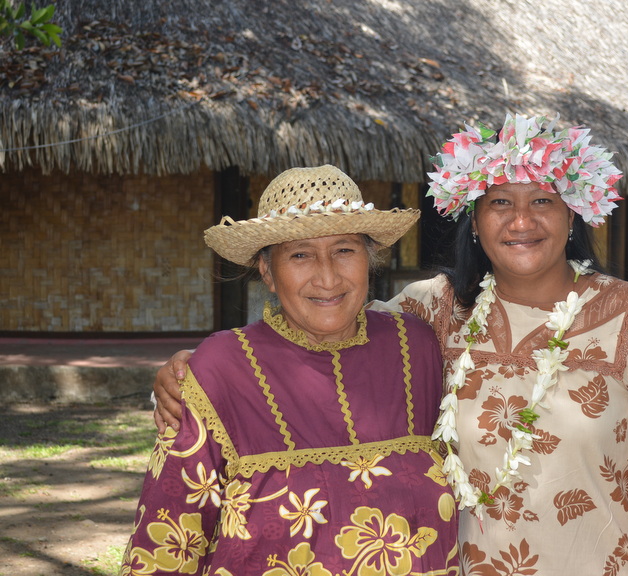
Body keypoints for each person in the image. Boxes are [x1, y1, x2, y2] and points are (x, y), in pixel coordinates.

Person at [153, 115, 628, 575]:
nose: (521, 220)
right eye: (500, 201)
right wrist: (190, 373)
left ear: (574, 213)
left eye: (542, 200)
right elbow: (317, 327)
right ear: (473, 219)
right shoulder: (429, 312)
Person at [121, 165, 460, 575]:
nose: (328, 276)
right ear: (266, 270)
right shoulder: (221, 369)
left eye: (345, 250)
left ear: (370, 259)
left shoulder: (417, 348)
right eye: (300, 254)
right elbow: (167, 539)